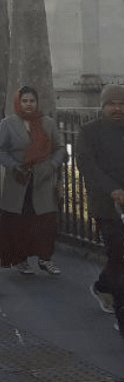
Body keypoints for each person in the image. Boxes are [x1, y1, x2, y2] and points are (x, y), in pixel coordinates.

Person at [0, 86, 67, 276]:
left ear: (37, 102)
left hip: (43, 180)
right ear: (18, 102)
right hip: (19, 180)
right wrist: (13, 165)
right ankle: (21, 260)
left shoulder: (47, 123)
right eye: (24, 101)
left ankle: (45, 259)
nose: (28, 104)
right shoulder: (8, 123)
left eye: (32, 101)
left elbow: (60, 148)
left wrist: (52, 164)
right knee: (20, 222)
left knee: (45, 222)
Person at [76, 83, 124, 323]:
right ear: (103, 106)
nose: (117, 108)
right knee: (117, 251)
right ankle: (119, 308)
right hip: (105, 204)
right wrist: (112, 189)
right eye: (112, 104)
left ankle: (103, 286)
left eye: (121, 104)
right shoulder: (89, 131)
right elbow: (87, 165)